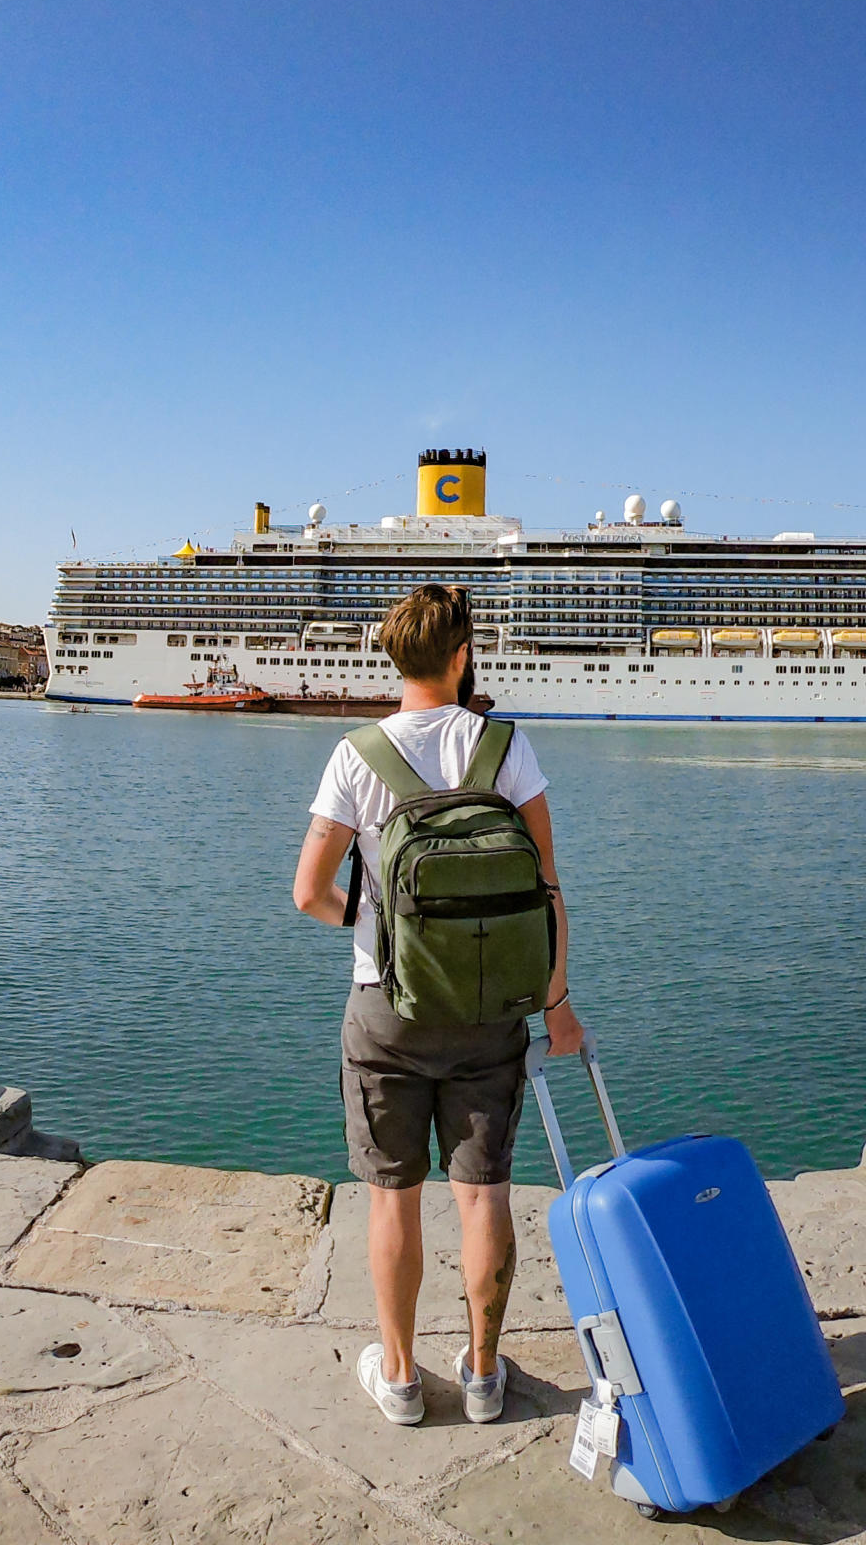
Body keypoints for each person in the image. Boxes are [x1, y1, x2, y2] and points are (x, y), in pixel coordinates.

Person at [293, 583, 581, 1427]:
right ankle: (486, 1376)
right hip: (495, 1009)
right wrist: (557, 1007)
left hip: (386, 1007)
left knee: (392, 1195)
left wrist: (380, 927)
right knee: (484, 1192)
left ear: (393, 657)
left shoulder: (357, 754)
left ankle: (401, 1378)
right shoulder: (506, 746)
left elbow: (308, 892)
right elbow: (550, 888)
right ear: (462, 656)